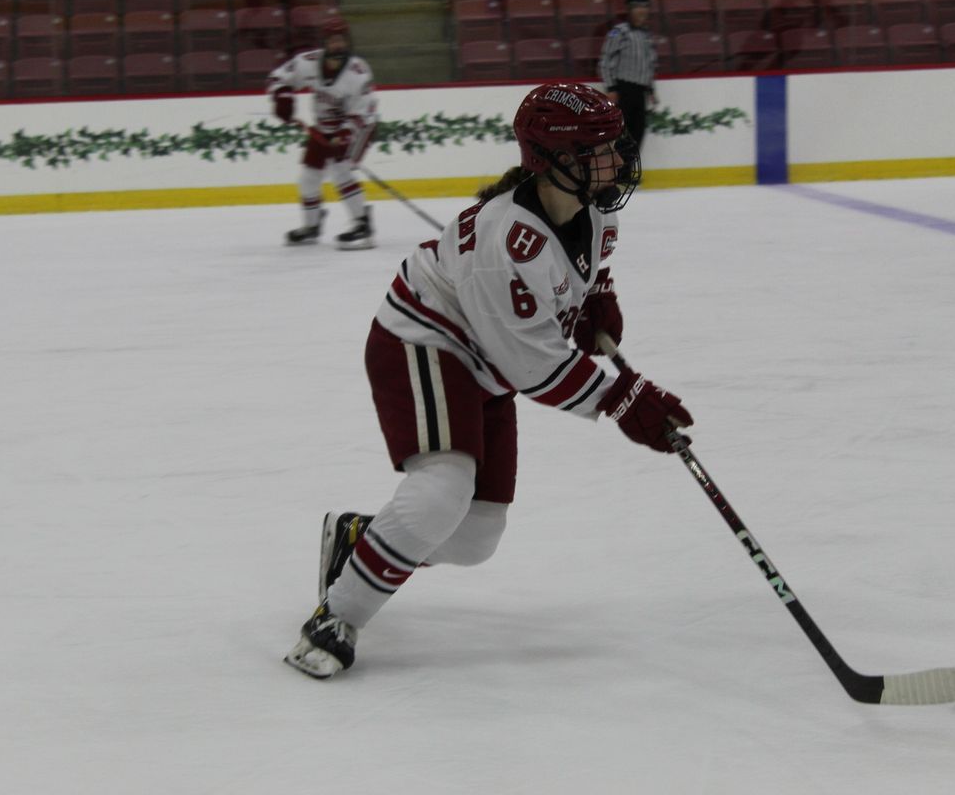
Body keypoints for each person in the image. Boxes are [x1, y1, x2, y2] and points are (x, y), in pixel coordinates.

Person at [284, 82, 694, 679]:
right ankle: (335, 617)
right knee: (441, 492)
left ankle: (360, 540)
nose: (615, 161)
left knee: (476, 538)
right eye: (595, 150)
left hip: (486, 361)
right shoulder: (507, 242)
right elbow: (534, 367)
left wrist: (598, 296)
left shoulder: (596, 213)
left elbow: (587, 270)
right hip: (424, 342)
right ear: (548, 160)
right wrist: (623, 399)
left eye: (614, 146)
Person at [267, 16, 378, 250]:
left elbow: (364, 111)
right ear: (325, 43)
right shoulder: (308, 62)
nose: (338, 45)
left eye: (342, 40)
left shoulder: (357, 72)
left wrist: (346, 134)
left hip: (360, 126)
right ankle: (312, 225)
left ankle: (362, 225)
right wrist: (283, 96)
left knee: (341, 170)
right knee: (308, 177)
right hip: (324, 128)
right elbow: (278, 77)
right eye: (333, 40)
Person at [598, 0, 659, 151]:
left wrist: (651, 89)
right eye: (638, 7)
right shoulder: (618, 32)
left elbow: (649, 63)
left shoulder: (647, 35)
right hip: (624, 89)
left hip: (640, 92)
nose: (642, 11)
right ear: (630, 9)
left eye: (645, 7)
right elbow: (605, 60)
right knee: (622, 132)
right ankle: (619, 171)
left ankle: (629, 170)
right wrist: (611, 88)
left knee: (638, 132)